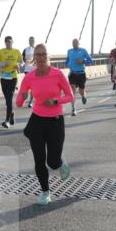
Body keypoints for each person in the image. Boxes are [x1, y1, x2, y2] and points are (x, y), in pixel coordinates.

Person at [15, 44, 73, 205]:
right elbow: (19, 103)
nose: (40, 57)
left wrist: (56, 101)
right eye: (38, 54)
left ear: (49, 57)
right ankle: (45, 192)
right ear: (34, 57)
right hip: (37, 120)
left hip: (55, 120)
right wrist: (23, 97)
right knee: (39, 159)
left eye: (43, 54)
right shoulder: (29, 77)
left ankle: (60, 161)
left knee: (52, 162)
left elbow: (70, 96)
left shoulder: (58, 74)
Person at [0, 36, 23, 128]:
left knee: (9, 98)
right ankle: (12, 113)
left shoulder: (17, 51)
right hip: (3, 78)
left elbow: (21, 62)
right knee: (7, 100)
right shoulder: (1, 52)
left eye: (10, 41)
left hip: (13, 78)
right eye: (6, 41)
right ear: (5, 43)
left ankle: (7, 121)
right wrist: (3, 64)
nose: (8, 43)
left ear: (12, 42)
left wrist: (18, 65)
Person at [64, 38, 93, 116]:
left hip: (81, 74)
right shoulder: (69, 51)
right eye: (73, 43)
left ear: (79, 43)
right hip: (72, 73)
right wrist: (67, 64)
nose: (74, 44)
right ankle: (73, 109)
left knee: (81, 91)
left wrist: (83, 61)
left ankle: (83, 95)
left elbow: (91, 60)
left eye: (76, 43)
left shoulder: (83, 51)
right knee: (72, 90)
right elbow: (67, 60)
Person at [22, 36, 36, 107]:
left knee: (33, 87)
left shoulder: (37, 49)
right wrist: (25, 61)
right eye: (30, 40)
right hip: (27, 70)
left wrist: (34, 61)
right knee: (28, 86)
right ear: (28, 41)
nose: (31, 42)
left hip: (35, 70)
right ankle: (25, 99)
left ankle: (30, 101)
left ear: (34, 41)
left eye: (32, 40)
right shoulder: (25, 50)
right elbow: (22, 59)